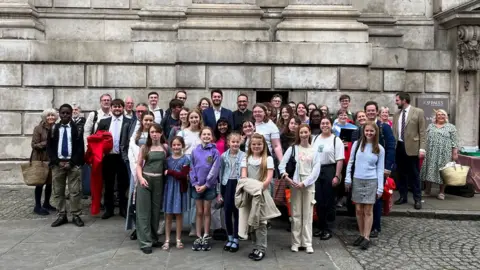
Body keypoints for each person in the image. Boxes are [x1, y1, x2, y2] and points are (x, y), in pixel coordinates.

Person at [352, 101, 396, 239]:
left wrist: (387, 167)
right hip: (362, 171)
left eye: (373, 110)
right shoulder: (361, 128)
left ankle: (375, 226)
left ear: (377, 112)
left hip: (379, 168)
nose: (370, 113)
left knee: (376, 199)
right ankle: (363, 229)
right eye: (368, 110)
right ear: (365, 112)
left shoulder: (384, 127)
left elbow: (390, 146)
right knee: (361, 203)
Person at [279, 124, 321, 254]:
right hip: (295, 184)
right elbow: (282, 166)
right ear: (298, 134)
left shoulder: (315, 151)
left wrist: (305, 182)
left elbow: (316, 170)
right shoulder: (293, 149)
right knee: (296, 214)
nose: (303, 135)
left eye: (305, 132)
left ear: (309, 133)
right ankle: (296, 242)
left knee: (308, 214)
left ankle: (307, 243)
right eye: (301, 132)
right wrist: (287, 178)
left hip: (308, 184)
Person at [346, 122, 385, 250]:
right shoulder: (357, 145)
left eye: (371, 131)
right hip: (357, 179)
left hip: (371, 181)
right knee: (358, 210)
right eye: (366, 131)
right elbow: (350, 161)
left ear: (375, 133)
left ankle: (367, 237)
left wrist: (380, 188)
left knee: (368, 210)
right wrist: (347, 178)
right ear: (363, 131)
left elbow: (380, 170)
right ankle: (361, 234)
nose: (368, 133)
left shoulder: (379, 149)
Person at [46, 104, 85, 227]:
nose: (65, 115)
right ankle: (61, 215)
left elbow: (80, 149)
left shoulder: (77, 129)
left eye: (67, 113)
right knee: (58, 191)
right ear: (59, 114)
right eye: (63, 113)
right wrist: (57, 162)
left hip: (73, 164)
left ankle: (76, 215)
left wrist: (71, 162)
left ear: (71, 114)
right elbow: (49, 148)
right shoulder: (54, 128)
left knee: (75, 191)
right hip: (58, 164)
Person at [240, 133, 275, 261]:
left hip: (261, 194)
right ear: (250, 145)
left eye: (259, 144)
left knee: (261, 223)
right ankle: (255, 246)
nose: (256, 146)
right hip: (249, 194)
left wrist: (258, 188)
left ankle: (261, 248)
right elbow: (244, 177)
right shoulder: (246, 158)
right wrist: (251, 188)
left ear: (263, 145)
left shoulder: (268, 159)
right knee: (251, 223)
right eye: (253, 144)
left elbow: (267, 179)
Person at [97, 99, 132, 219]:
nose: (117, 109)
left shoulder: (130, 121)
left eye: (119, 107)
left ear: (123, 108)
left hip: (122, 157)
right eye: (115, 107)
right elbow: (97, 138)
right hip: (108, 157)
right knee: (109, 184)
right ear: (111, 108)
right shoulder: (103, 122)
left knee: (123, 184)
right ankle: (109, 209)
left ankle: (123, 208)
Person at [135, 124, 168, 254]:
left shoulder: (165, 147)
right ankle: (145, 242)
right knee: (144, 212)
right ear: (149, 133)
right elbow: (138, 165)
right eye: (152, 132)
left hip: (159, 181)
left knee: (155, 212)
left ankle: (154, 238)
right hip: (146, 180)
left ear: (161, 133)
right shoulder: (144, 147)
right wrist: (141, 179)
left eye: (157, 132)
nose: (154, 134)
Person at [312, 117, 344, 240]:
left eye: (327, 123)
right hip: (316, 170)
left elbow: (340, 159)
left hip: (330, 169)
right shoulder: (315, 138)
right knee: (318, 200)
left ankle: (328, 228)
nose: (324, 125)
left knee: (329, 201)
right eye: (322, 123)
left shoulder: (336, 140)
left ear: (331, 125)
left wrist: (337, 175)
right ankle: (320, 227)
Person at [392, 92, 426, 210]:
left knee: (414, 174)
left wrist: (422, 148)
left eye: (397, 100)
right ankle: (403, 196)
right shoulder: (396, 114)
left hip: (413, 148)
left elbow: (422, 132)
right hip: (399, 147)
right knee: (401, 174)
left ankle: (417, 199)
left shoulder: (418, 112)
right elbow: (394, 132)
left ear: (404, 100)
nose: (396, 102)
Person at [190, 127, 221, 251]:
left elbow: (215, 169)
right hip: (197, 186)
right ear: (200, 136)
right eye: (204, 134)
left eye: (209, 134)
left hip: (208, 187)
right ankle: (198, 236)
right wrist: (195, 183)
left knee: (207, 211)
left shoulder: (215, 152)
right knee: (199, 212)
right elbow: (191, 167)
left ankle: (206, 235)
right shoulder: (194, 151)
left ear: (212, 137)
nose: (206, 136)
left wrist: (206, 184)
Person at [126, 112, 155, 240]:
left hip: (151, 171)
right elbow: (131, 152)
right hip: (137, 172)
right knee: (135, 200)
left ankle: (149, 227)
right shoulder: (136, 136)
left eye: (150, 120)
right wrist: (136, 170)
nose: (148, 122)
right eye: (146, 120)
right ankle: (137, 227)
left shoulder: (155, 134)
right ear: (142, 121)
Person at [420, 109, 458, 200]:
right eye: (438, 115)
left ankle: (441, 192)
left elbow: (455, 142)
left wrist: (455, 153)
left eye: (443, 115)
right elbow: (425, 139)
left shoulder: (451, 127)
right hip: (431, 152)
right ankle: (427, 190)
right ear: (436, 117)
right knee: (429, 169)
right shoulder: (430, 126)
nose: (441, 116)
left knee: (443, 172)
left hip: (444, 153)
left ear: (446, 116)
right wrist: (423, 150)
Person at [218, 132, 246, 253]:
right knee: (227, 211)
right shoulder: (224, 156)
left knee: (237, 212)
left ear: (240, 142)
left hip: (238, 184)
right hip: (227, 184)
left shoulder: (244, 156)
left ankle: (236, 238)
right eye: (232, 142)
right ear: (228, 143)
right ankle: (229, 237)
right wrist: (219, 192)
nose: (235, 144)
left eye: (237, 142)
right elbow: (220, 173)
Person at [178, 109, 204, 237]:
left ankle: (194, 225)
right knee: (183, 195)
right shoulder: (182, 133)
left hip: (199, 167)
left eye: (196, 117)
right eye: (192, 117)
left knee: (195, 198)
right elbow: (177, 150)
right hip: (185, 165)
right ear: (188, 119)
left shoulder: (203, 133)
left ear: (200, 118)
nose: (194, 120)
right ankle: (179, 223)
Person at [163, 136, 191, 250]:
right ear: (171, 146)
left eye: (178, 145)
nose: (176, 147)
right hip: (169, 188)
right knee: (168, 214)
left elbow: (183, 175)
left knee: (179, 214)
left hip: (179, 189)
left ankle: (178, 239)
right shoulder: (167, 160)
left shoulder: (186, 159)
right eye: (174, 145)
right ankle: (167, 239)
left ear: (182, 146)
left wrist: (170, 172)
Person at [31, 108, 58, 215]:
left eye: (52, 115)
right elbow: (34, 144)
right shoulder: (38, 128)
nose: (50, 117)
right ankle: (37, 206)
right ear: (45, 117)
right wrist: (47, 143)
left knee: (50, 183)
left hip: (52, 159)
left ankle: (46, 203)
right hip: (41, 159)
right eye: (48, 115)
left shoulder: (57, 127)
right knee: (40, 183)